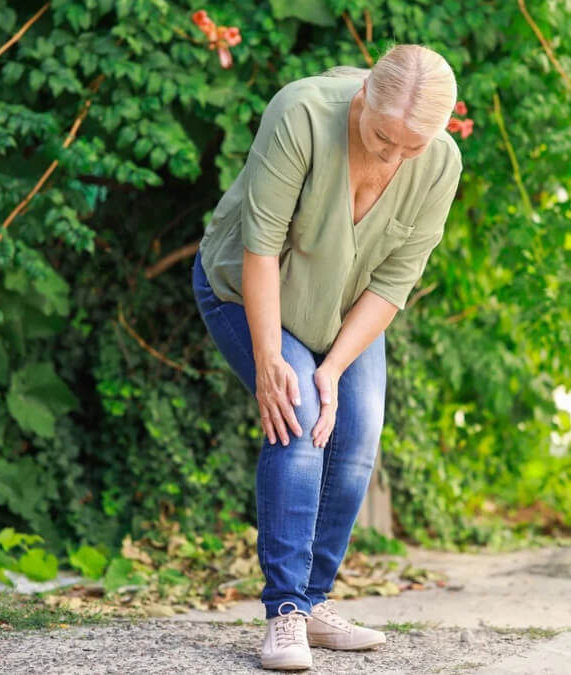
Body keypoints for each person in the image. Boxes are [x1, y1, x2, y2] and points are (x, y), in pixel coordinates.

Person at [191, 43, 462, 671]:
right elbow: (260, 247)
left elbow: (394, 281)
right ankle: (284, 614)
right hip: (247, 288)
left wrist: (335, 364)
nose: (393, 156)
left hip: (340, 310)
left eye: (411, 147)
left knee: (357, 431)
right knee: (297, 412)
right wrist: (268, 361)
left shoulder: (440, 162)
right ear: (363, 95)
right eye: (381, 138)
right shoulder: (302, 113)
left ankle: (313, 604)